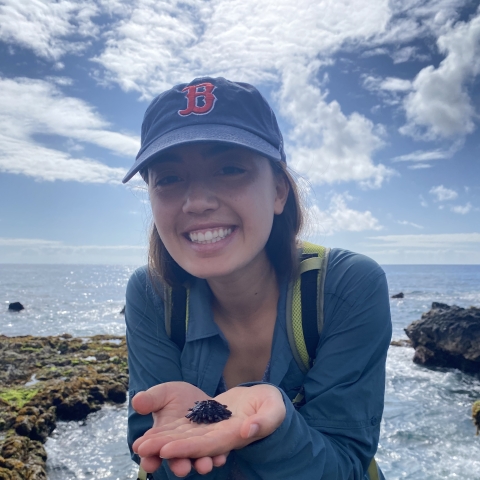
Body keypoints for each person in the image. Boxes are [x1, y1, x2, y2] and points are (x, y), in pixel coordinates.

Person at [122, 77, 392, 479]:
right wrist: (187, 443)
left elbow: (345, 463)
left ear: (280, 190)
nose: (197, 202)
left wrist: (272, 427)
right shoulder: (152, 294)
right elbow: (151, 447)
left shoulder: (347, 287)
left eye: (229, 168)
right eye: (169, 178)